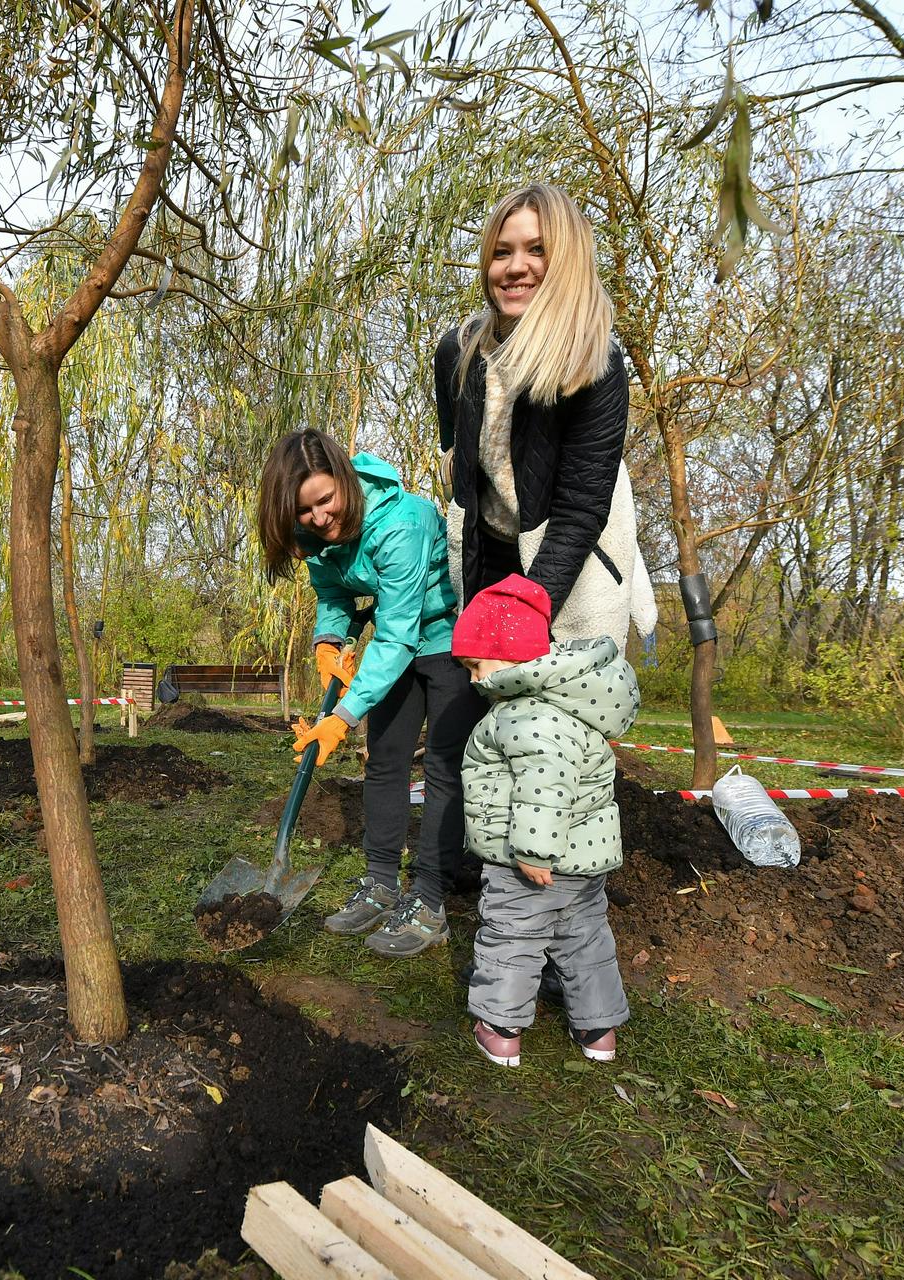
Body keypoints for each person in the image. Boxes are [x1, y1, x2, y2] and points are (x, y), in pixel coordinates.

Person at [258, 429, 480, 958]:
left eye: (325, 500)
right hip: (395, 646)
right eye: (304, 509)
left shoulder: (399, 524)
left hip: (447, 637)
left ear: (344, 483)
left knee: (444, 769)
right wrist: (327, 640)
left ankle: (429, 900)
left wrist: (343, 712)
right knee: (385, 762)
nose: (318, 518)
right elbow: (333, 592)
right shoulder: (313, 535)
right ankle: (381, 885)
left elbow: (399, 632)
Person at [435, 182, 657, 642]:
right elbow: (457, 456)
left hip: (571, 560)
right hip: (487, 554)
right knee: (475, 700)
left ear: (567, 260)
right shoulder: (457, 352)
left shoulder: (595, 362)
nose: (516, 267)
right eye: (501, 252)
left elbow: (580, 510)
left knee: (555, 704)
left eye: (537, 249)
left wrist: (527, 611)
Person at [451, 574, 638, 1066]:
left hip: (534, 860)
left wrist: (534, 850)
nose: (473, 679)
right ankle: (599, 1031)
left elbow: (546, 783)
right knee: (585, 939)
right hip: (584, 859)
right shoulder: (568, 704)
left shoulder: (526, 713)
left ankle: (500, 1025)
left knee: (512, 936)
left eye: (476, 665)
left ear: (510, 655)